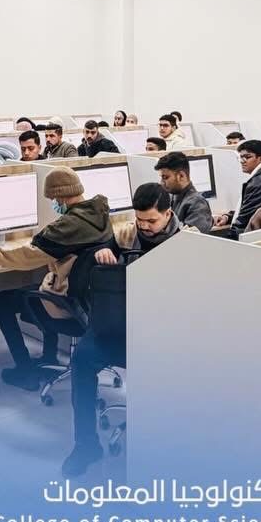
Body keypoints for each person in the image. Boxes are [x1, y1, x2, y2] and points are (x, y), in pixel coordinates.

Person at [63, 182, 180, 476]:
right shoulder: (126, 234)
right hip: (117, 325)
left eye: (151, 220)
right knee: (82, 360)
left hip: (162, 335)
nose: (145, 226)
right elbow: (101, 259)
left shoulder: (186, 242)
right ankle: (86, 445)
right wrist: (105, 254)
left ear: (168, 214)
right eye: (140, 220)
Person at [0, 168, 115, 390]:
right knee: (43, 279)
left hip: (66, 303)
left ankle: (25, 371)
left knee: (1, 300)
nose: (52, 204)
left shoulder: (67, 227)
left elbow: (25, 257)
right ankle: (49, 356)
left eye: (52, 199)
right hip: (91, 303)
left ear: (60, 197)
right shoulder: (100, 214)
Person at [213, 140, 261, 232]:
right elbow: (250, 211)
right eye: (241, 157)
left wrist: (228, 239)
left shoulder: (259, 183)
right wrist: (228, 217)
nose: (242, 161)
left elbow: (242, 224)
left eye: (247, 157)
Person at [154, 151, 213, 233]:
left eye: (165, 177)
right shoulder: (172, 196)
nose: (162, 182)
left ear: (181, 176)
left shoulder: (197, 204)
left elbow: (188, 238)